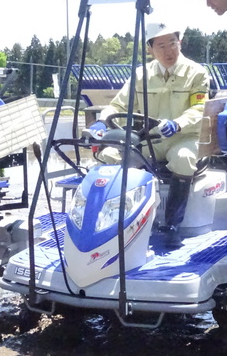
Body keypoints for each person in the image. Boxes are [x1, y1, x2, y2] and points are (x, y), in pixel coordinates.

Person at [88, 22, 210, 248]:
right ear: (150, 50)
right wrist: (101, 122)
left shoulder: (197, 73)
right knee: (108, 157)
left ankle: (172, 225)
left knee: (182, 159)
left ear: (180, 42)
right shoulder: (140, 75)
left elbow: (198, 109)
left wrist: (178, 124)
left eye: (172, 43)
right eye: (161, 46)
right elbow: (118, 105)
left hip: (185, 137)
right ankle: (109, 222)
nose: (168, 51)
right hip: (149, 140)